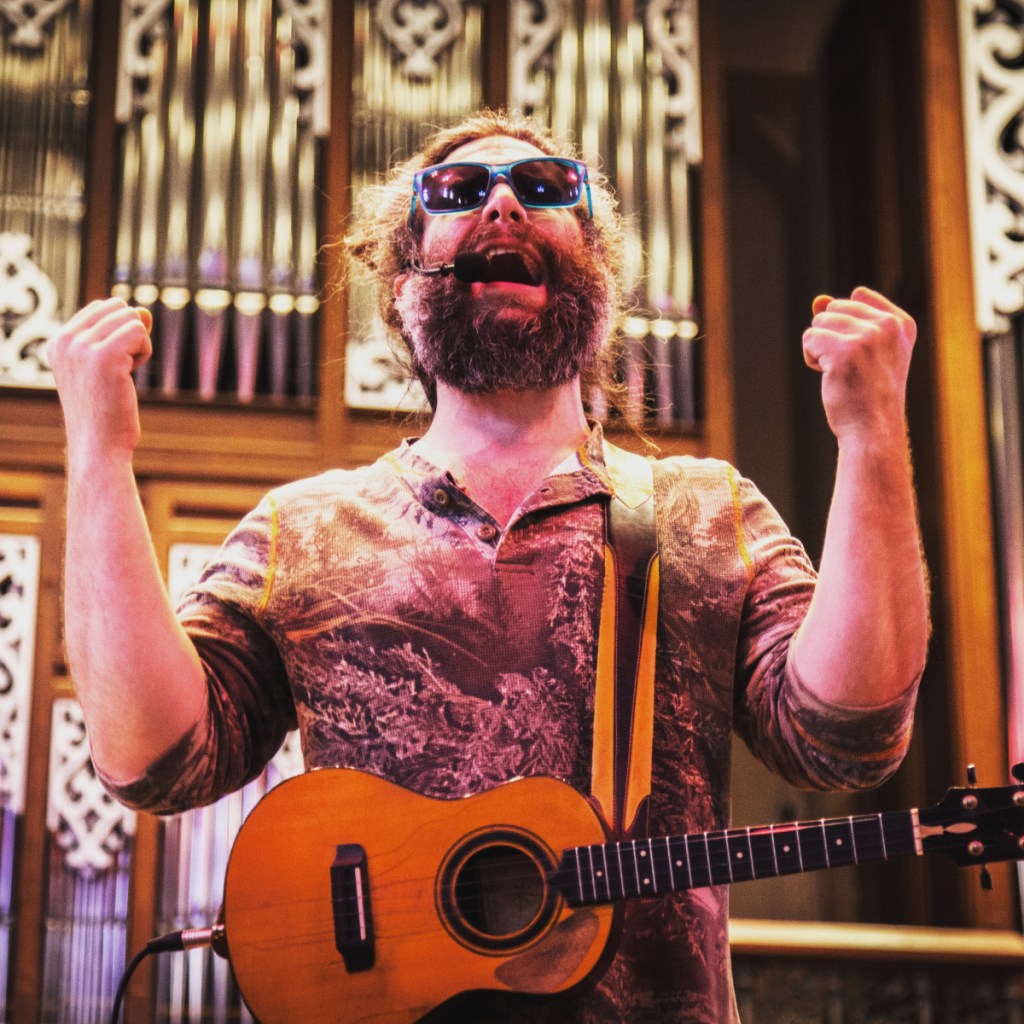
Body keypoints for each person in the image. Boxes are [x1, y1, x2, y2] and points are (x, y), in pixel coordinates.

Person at [48, 109, 929, 1022]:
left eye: (546, 190)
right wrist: (101, 458)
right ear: (401, 284)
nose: (504, 202)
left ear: (602, 272)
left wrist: (870, 437)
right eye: (458, 193)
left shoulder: (707, 512)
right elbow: (149, 760)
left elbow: (848, 737)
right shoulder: (299, 532)